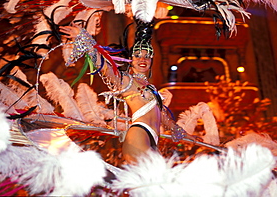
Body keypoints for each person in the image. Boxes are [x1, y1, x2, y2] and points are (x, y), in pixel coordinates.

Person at [59, 21, 198, 163]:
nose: (142, 59)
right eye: (137, 55)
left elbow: (161, 116)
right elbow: (104, 66)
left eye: (147, 56)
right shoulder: (126, 80)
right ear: (131, 59)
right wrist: (84, 39)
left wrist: (182, 133)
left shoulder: (151, 88)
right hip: (139, 134)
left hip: (153, 139)